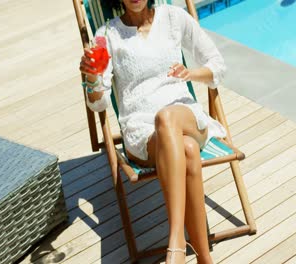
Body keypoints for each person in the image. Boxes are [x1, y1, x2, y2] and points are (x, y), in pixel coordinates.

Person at [79, 0, 227, 263]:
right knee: (188, 149)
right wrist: (91, 79)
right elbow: (97, 102)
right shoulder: (107, 35)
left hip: (186, 117)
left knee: (167, 116)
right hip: (143, 133)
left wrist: (190, 73)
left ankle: (176, 242)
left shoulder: (173, 18)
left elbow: (217, 65)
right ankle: (205, 259)